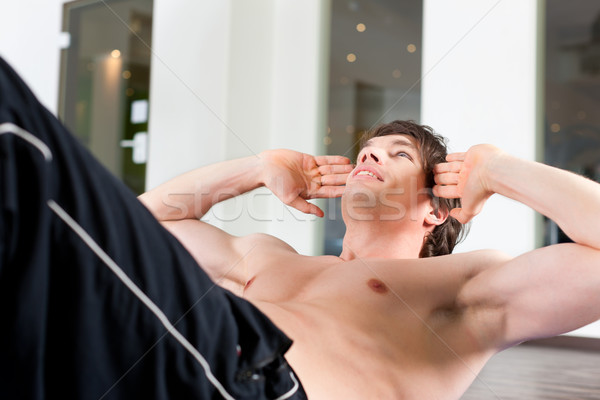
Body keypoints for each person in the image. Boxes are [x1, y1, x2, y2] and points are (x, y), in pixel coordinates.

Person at [1, 54, 599, 399]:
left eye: (397, 156)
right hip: (166, 368)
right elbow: (131, 231)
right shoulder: (265, 253)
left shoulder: (459, 288)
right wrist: (254, 169)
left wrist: (498, 169)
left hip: (265, 387)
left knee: (21, 137)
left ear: (435, 207)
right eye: (369, 148)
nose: (370, 155)